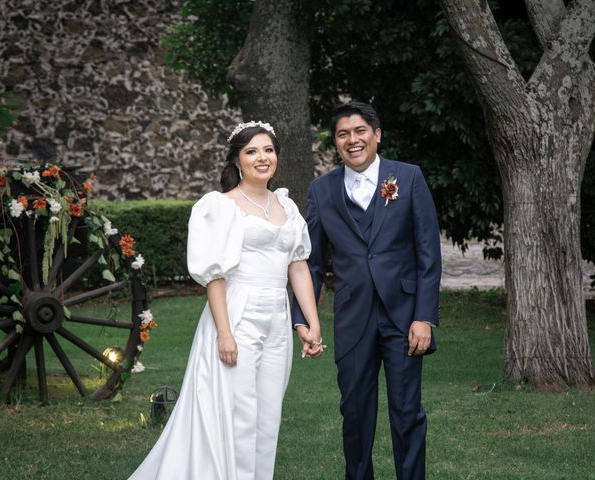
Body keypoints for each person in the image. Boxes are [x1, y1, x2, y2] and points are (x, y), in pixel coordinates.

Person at [129, 121, 324, 480]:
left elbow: (298, 266)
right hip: (237, 312)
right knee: (238, 412)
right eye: (251, 151)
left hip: (277, 316)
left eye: (268, 150)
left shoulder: (287, 207)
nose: (261, 158)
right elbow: (214, 274)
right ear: (237, 160)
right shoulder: (220, 206)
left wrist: (311, 323)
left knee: (267, 414)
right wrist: (224, 332)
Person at [292, 101, 441, 480]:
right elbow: (309, 262)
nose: (352, 140)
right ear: (336, 143)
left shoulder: (408, 178)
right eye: (343, 134)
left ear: (377, 135)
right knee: (355, 414)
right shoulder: (321, 191)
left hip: (404, 317)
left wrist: (424, 316)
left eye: (360, 131)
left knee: (407, 412)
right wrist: (304, 321)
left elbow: (428, 254)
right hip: (352, 318)